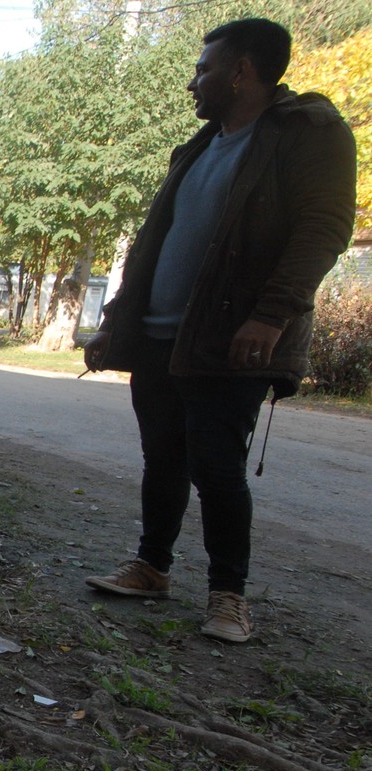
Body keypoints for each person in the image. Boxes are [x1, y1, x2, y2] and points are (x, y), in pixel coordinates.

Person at [83, 17, 355, 644]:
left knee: (217, 467)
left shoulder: (307, 133)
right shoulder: (200, 145)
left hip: (232, 339)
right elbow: (153, 245)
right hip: (160, 336)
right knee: (164, 458)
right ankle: (152, 567)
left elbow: (325, 228)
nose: (192, 82)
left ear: (242, 72)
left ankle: (228, 595)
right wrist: (117, 322)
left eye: (204, 69)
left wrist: (271, 314)